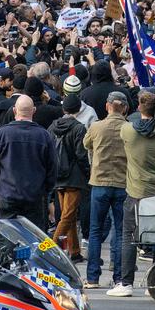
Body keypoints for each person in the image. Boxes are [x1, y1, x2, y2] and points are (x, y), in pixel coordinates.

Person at [107, 91, 155, 298]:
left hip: (136, 192)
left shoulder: (128, 131)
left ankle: (125, 283)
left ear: (139, 109)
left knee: (128, 236)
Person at [0, 94, 57, 230]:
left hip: (7, 196)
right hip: (35, 197)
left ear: (14, 110)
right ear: (34, 111)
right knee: (34, 241)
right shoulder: (44, 136)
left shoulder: (1, 135)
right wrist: (46, 192)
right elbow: (52, 168)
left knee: (8, 242)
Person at [83, 91, 128, 289]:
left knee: (95, 231)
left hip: (99, 183)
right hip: (122, 184)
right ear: (125, 108)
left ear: (107, 106)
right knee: (120, 232)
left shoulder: (96, 127)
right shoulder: (129, 129)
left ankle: (93, 277)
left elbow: (86, 144)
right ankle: (119, 277)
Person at [49, 95, 90, 262]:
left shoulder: (52, 126)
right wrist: (87, 172)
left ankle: (74, 252)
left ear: (63, 109)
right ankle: (50, 250)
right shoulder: (79, 128)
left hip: (57, 176)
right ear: (79, 109)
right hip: (74, 177)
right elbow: (82, 155)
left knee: (69, 215)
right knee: (67, 216)